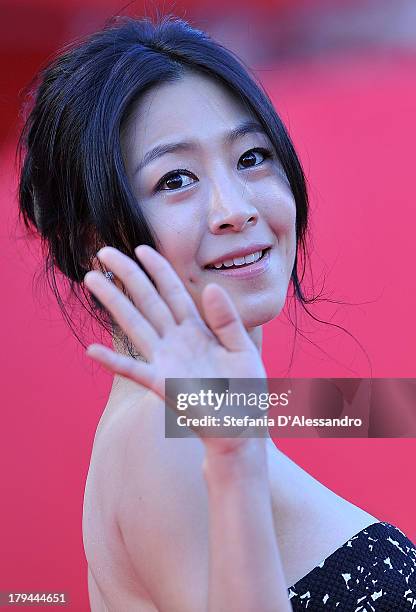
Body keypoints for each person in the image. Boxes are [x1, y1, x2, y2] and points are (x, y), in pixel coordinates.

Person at [17, 14, 416, 611]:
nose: (235, 208)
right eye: (176, 179)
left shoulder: (210, 407)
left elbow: (358, 406)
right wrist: (232, 464)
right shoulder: (166, 432)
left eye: (252, 157)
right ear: (86, 239)